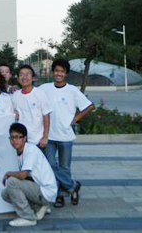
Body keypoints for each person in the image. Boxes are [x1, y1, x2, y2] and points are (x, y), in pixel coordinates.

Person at [40, 58, 94, 208]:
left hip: (65, 136)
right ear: (53, 72)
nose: (59, 74)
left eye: (62, 71)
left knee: (64, 168)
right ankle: (73, 186)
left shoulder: (72, 90)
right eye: (56, 71)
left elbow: (89, 106)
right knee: (50, 165)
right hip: (49, 135)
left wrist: (75, 119)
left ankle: (61, 195)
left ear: (66, 74)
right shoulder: (44, 88)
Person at [2, 123, 57, 227]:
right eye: (12, 137)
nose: (14, 140)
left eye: (18, 137)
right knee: (6, 194)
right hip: (40, 189)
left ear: (25, 138)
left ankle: (28, 217)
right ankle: (39, 207)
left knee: (11, 182)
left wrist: (9, 174)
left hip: (46, 191)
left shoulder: (30, 150)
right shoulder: (21, 152)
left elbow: (23, 175)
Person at [11, 65, 51, 147]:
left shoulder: (40, 94)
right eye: (21, 74)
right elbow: (13, 115)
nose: (24, 77)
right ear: (18, 78)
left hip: (38, 140)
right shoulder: (15, 95)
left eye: (27, 74)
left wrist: (45, 137)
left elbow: (46, 116)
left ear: (33, 78)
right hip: (21, 141)